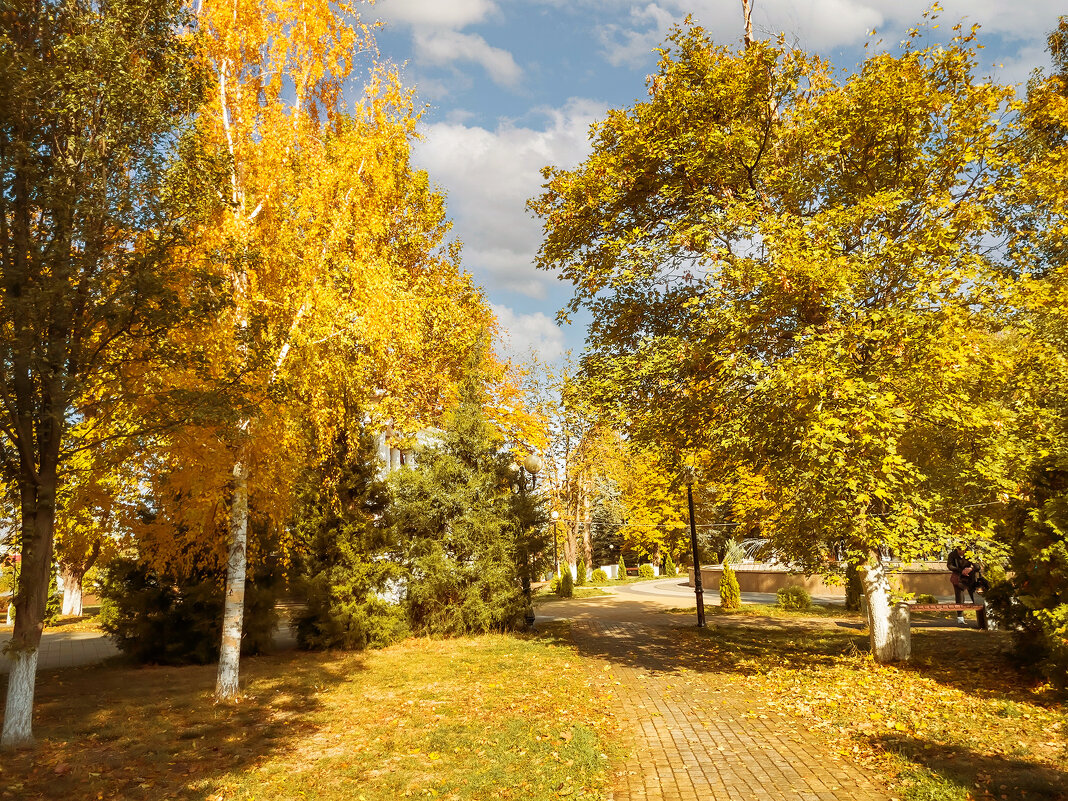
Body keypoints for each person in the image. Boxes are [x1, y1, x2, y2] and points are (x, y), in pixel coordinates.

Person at [947, 546, 990, 625]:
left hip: (970, 579)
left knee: (975, 598)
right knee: (959, 598)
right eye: (959, 550)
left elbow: (977, 567)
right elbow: (949, 566)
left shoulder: (970, 554)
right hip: (958, 579)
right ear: (957, 549)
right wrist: (961, 570)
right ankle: (960, 617)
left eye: (963, 550)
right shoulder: (952, 555)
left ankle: (982, 618)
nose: (961, 552)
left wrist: (970, 569)